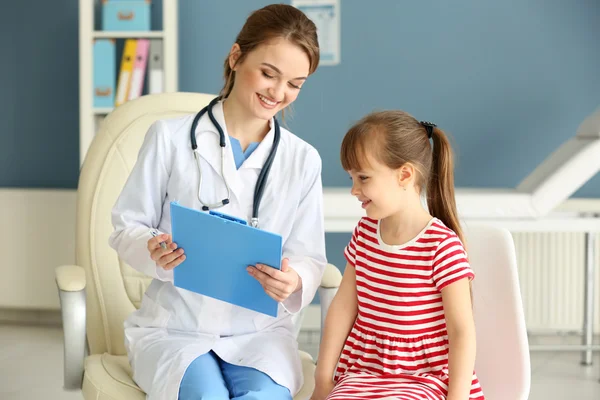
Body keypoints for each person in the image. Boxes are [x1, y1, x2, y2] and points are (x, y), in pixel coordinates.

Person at [108, 4, 326, 399]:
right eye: (268, 73)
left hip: (260, 333)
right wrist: (153, 249)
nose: (278, 93)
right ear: (236, 56)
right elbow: (127, 225)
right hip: (176, 328)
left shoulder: (303, 160)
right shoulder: (169, 139)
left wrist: (295, 280)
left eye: (295, 83)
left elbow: (310, 256)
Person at [311, 111, 485, 400]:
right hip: (364, 372)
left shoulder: (441, 245)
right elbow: (342, 309)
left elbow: (462, 332)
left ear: (404, 174)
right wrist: (322, 378)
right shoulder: (365, 234)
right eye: (351, 178)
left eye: (363, 177)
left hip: (424, 378)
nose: (354, 190)